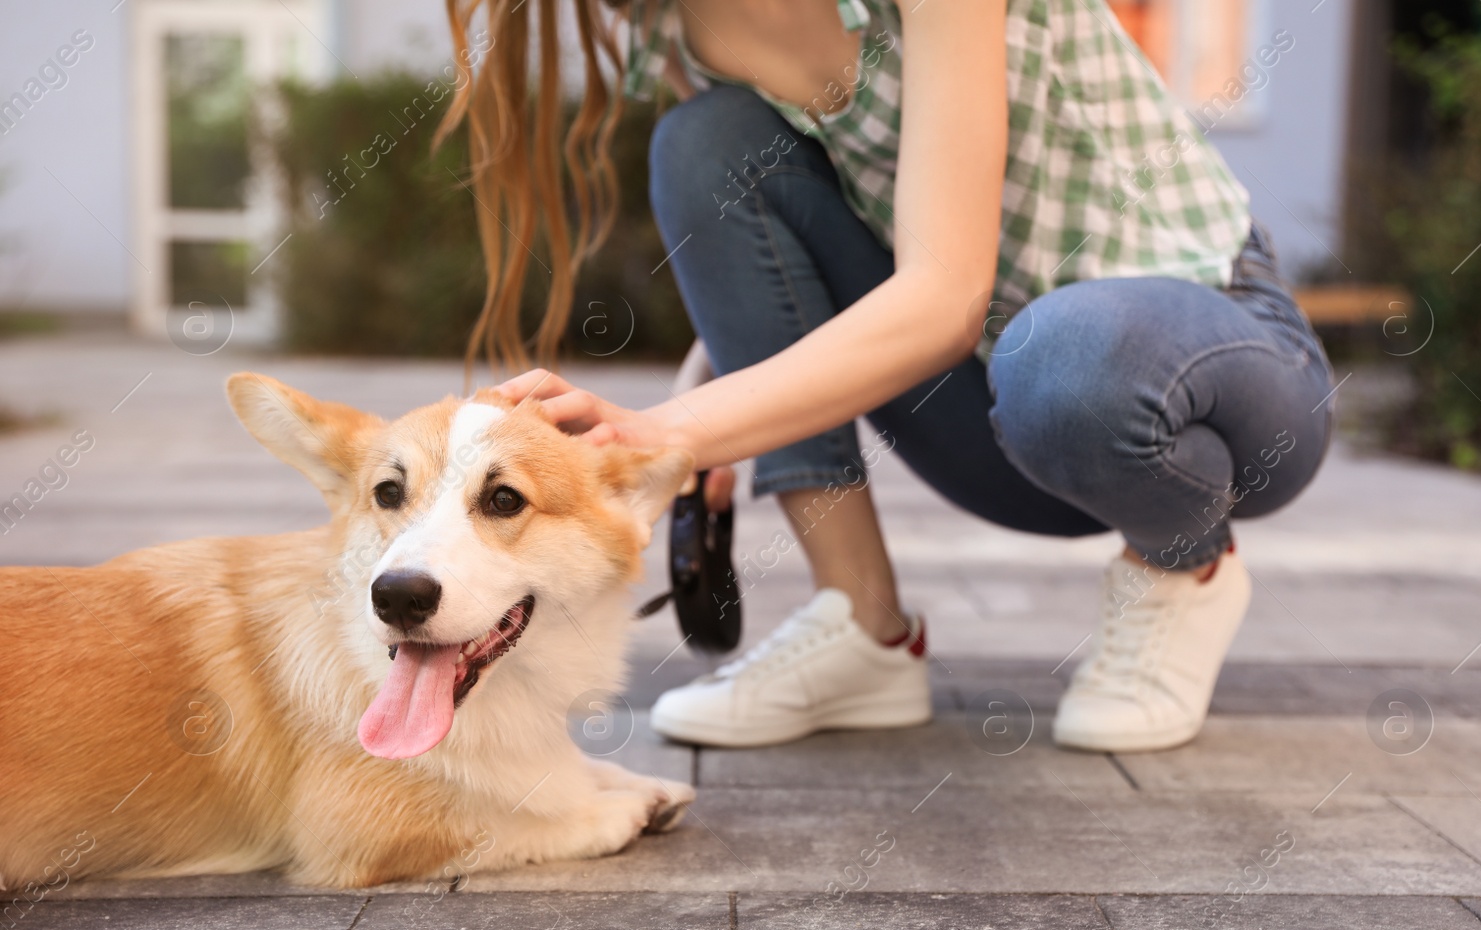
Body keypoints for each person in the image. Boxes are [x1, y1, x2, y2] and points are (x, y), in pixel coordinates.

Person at [446, 0, 1335, 753]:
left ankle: (1181, 564)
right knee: (705, 143)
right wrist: (696, 421)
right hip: (1003, 417)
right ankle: (863, 625)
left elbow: (946, 297)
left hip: (1217, 376)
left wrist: (671, 428)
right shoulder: (677, 23)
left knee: (1063, 354)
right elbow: (780, 234)